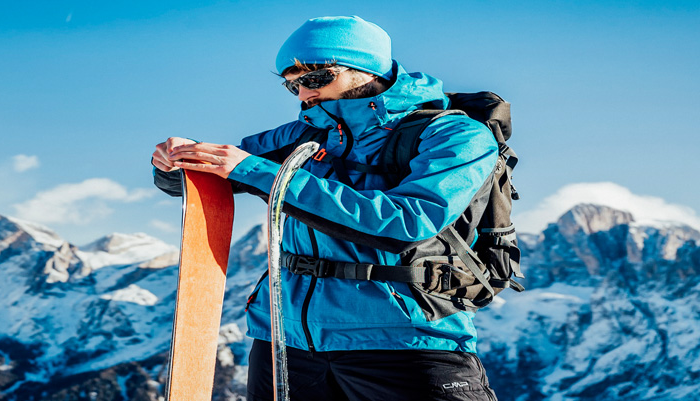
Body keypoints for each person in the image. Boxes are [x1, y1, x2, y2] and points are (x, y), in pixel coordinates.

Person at [151, 16, 500, 401]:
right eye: (292, 84)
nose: (303, 95)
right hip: (285, 343)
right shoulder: (305, 133)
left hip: (405, 341)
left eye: (314, 79)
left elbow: (407, 220)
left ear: (365, 70)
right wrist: (176, 161)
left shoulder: (453, 134)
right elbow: (219, 173)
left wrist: (258, 171)